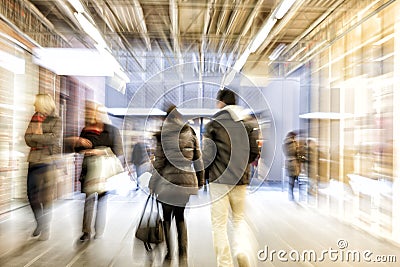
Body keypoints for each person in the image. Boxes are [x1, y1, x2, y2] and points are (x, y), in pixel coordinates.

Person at [202, 88, 260, 267]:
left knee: (219, 225)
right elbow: (254, 152)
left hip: (219, 180)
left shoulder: (213, 124)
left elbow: (207, 154)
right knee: (238, 219)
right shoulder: (248, 124)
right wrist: (242, 167)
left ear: (221, 103)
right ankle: (241, 249)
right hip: (240, 181)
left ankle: (225, 263)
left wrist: (204, 175)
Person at [148, 105, 204, 266]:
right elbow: (198, 160)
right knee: (180, 217)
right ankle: (183, 253)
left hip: (167, 182)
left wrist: (152, 183)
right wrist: (200, 180)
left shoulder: (163, 135)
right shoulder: (190, 132)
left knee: (167, 219)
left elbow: (159, 163)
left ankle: (169, 253)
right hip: (186, 183)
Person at [73, 101, 123, 242]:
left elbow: (118, 150)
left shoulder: (112, 130)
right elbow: (78, 150)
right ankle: (86, 231)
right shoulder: (86, 130)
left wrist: (100, 151)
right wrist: (80, 143)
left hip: (104, 172)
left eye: (95, 112)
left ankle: (98, 228)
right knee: (88, 201)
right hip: (89, 170)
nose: (92, 114)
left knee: (101, 201)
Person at [24, 93, 61, 241]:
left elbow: (54, 139)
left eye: (36, 103)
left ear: (43, 103)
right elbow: (27, 138)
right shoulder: (34, 118)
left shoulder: (56, 120)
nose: (34, 105)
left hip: (48, 162)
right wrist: (40, 138)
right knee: (31, 195)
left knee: (46, 198)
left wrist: (36, 137)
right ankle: (40, 222)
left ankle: (45, 226)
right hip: (33, 161)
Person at [282, 131, 301, 201]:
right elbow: (296, 153)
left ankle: (291, 193)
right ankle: (295, 194)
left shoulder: (284, 144)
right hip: (294, 162)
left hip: (288, 162)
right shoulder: (294, 143)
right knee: (295, 178)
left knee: (291, 179)